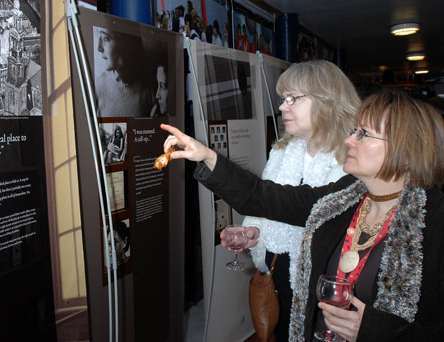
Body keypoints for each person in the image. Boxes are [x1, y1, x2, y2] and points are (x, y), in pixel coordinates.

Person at [161, 90, 444, 341]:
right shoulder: (344, 197)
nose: (349, 140)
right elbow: (267, 197)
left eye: (363, 134)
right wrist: (208, 157)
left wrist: (373, 330)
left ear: (407, 152)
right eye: (354, 130)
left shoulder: (434, 224)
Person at [241, 60, 360, 340]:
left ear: (327, 101)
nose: (283, 106)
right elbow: (267, 203)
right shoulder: (282, 151)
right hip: (276, 271)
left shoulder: (352, 157)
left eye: (293, 98)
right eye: (283, 99)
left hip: (322, 281)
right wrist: (253, 230)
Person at [94, 28, 154, 117]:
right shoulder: (98, 85)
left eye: (106, 38)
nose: (99, 48)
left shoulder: (150, 90)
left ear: (125, 43)